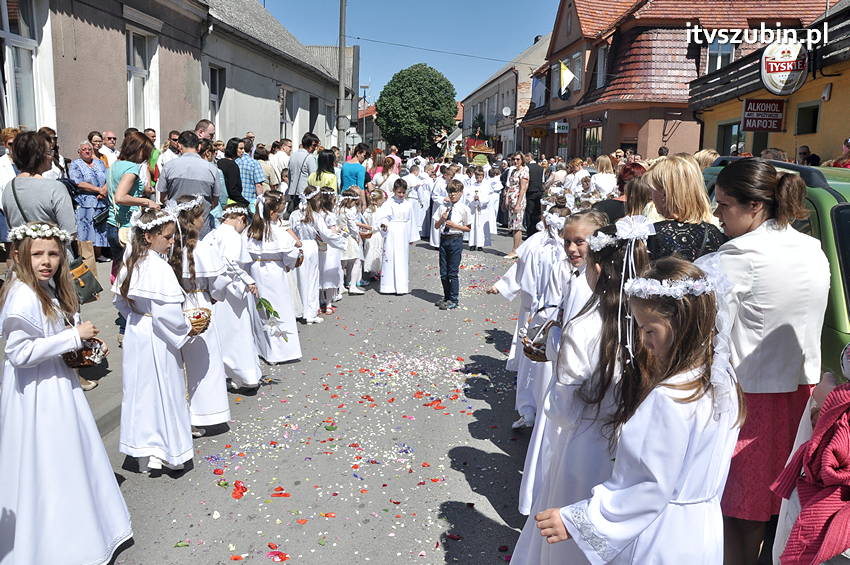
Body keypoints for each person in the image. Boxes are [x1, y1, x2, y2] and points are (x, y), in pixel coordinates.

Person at [536, 256, 743, 564]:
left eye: (649, 330)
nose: (644, 342)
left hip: (662, 534)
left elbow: (647, 485)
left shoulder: (669, 399)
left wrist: (578, 520)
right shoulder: (723, 381)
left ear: (681, 325)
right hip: (703, 529)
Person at [713, 158, 830, 565]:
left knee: (740, 512)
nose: (718, 214)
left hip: (753, 397)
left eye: (724, 205)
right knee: (780, 509)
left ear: (755, 207)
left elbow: (712, 332)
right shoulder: (810, 246)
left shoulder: (739, 254)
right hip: (802, 393)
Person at [512, 216, 649, 564]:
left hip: (584, 443)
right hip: (629, 449)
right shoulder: (646, 327)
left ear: (598, 269)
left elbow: (563, 406)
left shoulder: (585, 325)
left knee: (569, 536)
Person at [0, 221, 132, 563]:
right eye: (38, 254)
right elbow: (19, 353)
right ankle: (59, 540)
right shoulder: (23, 296)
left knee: (64, 456)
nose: (46, 261)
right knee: (50, 458)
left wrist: (77, 338)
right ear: (18, 255)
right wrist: (73, 338)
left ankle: (80, 527)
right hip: (39, 394)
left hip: (53, 384)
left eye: (53, 254)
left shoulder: (42, 290)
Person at [513, 210, 606, 520]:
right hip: (564, 371)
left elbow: (576, 339)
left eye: (580, 242)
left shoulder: (591, 283)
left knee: (562, 447)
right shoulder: (575, 275)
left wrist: (552, 341)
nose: (571, 249)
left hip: (579, 381)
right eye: (567, 242)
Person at [113, 208, 193, 472]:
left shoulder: (130, 262)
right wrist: (187, 327)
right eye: (168, 237)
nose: (171, 242)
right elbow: (167, 315)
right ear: (148, 236)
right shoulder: (159, 267)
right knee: (165, 389)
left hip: (137, 330)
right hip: (157, 335)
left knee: (141, 391)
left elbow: (120, 301)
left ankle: (148, 449)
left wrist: (136, 317)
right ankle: (168, 451)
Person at [169, 194, 231, 434]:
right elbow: (218, 283)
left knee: (180, 365)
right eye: (201, 215)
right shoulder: (203, 247)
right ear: (193, 219)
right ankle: (203, 414)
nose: (204, 219)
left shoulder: (171, 247)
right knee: (204, 362)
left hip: (177, 306)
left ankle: (185, 414)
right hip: (200, 304)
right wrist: (215, 295)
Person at [203, 204, 263, 389]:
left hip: (216, 291)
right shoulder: (232, 236)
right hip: (232, 291)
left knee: (224, 333)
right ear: (241, 219)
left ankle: (227, 373)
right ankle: (246, 375)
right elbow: (230, 262)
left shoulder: (212, 234)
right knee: (238, 331)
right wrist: (247, 280)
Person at [246, 190, 304, 363]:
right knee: (279, 306)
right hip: (274, 272)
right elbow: (291, 254)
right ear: (273, 212)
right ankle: (281, 351)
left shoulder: (252, 230)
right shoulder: (278, 232)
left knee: (262, 308)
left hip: (256, 270)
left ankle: (264, 348)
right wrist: (291, 262)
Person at [644, 155, 726, 261]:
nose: (651, 196)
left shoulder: (651, 234)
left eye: (652, 190)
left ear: (665, 194)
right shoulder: (714, 233)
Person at [106, 132, 159, 281]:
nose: (146, 157)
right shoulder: (131, 169)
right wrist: (146, 201)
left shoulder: (114, 166)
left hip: (112, 224)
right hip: (126, 226)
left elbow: (113, 191)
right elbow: (120, 197)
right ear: (138, 149)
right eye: (146, 152)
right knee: (132, 272)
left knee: (120, 268)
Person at [289, 185, 346, 324]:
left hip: (298, 247)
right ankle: (310, 313)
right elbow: (326, 235)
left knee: (299, 280)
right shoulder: (315, 216)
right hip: (311, 247)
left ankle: (299, 309)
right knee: (312, 280)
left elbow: (290, 232)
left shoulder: (294, 214)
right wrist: (342, 240)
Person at [1, 131, 77, 236]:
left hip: (24, 250)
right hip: (53, 250)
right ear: (38, 156)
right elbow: (69, 232)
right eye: (49, 152)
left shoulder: (9, 187)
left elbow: (11, 226)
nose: (51, 156)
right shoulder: (55, 188)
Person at [157, 131, 221, 233]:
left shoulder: (169, 166)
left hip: (177, 226)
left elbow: (163, 197)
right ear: (199, 147)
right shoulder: (212, 169)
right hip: (202, 227)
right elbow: (215, 200)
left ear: (179, 146)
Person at [433, 179, 471, 310]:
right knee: (443, 272)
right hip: (444, 238)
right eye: (450, 192)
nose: (452, 195)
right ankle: (446, 296)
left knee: (452, 272)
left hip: (455, 238)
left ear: (461, 193)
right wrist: (442, 219)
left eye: (455, 192)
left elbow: (468, 228)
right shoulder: (443, 207)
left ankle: (454, 298)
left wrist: (455, 226)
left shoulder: (463, 208)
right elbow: (436, 226)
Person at [375, 178, 416, 295]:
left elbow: (411, 220)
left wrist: (411, 236)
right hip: (392, 231)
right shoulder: (388, 203)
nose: (401, 195)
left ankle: (401, 286)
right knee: (390, 257)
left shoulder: (408, 204)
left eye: (403, 192)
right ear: (394, 191)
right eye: (399, 192)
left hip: (403, 233)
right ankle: (388, 286)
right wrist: (384, 225)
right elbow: (382, 217)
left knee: (402, 259)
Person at [68, 140, 109, 253]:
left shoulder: (99, 163)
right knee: (86, 230)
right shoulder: (76, 164)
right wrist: (98, 190)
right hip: (85, 202)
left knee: (100, 229)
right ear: (79, 152)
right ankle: (88, 256)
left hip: (102, 201)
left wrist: (104, 190)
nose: (87, 151)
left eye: (89, 149)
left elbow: (108, 177)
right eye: (84, 149)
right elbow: (77, 182)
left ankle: (99, 253)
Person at [317, 189, 344, 313]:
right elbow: (332, 231)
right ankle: (328, 303)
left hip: (319, 246)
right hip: (330, 246)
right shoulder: (330, 215)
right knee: (330, 273)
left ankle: (320, 300)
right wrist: (339, 229)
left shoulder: (317, 213)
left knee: (320, 272)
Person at [338, 188, 368, 295]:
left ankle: (341, 285)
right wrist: (357, 237)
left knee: (342, 263)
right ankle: (353, 285)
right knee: (356, 260)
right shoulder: (350, 211)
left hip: (340, 237)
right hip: (349, 238)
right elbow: (352, 226)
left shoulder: (339, 209)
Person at [286, 132, 320, 208]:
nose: (315, 148)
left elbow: (289, 174)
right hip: (305, 193)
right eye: (314, 145)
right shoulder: (309, 157)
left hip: (292, 191)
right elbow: (313, 177)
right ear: (308, 144)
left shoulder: (293, 155)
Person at [505, 153, 529, 258]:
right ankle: (515, 249)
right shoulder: (514, 171)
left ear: (522, 160)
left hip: (518, 201)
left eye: (518, 159)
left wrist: (518, 203)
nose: (516, 161)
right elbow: (509, 186)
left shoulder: (524, 171)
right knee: (512, 225)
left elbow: (523, 188)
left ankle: (515, 250)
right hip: (511, 199)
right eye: (514, 159)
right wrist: (506, 198)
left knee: (516, 226)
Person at [463, 167, 491, 250]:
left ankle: (480, 244)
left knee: (480, 226)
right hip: (473, 209)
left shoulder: (486, 186)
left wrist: (480, 199)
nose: (479, 179)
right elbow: (468, 196)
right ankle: (472, 243)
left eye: (480, 177)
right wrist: (473, 199)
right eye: (477, 177)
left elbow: (487, 197)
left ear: (483, 177)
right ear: (475, 177)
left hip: (482, 209)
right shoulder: (472, 186)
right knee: (473, 226)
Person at [362, 189, 385, 280]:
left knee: (370, 252)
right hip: (377, 234)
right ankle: (376, 270)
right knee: (377, 252)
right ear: (378, 200)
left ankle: (372, 271)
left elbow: (365, 221)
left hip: (369, 234)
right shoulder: (380, 211)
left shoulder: (368, 210)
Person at [218, 138, 248, 206]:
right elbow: (232, 190)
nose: (243, 151)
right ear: (233, 149)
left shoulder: (220, 162)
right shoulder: (232, 165)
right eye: (241, 148)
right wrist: (246, 203)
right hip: (230, 203)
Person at [236, 137, 264, 205]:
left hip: (236, 199)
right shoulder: (254, 163)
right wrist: (260, 202)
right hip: (250, 200)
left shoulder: (235, 161)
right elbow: (258, 185)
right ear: (251, 148)